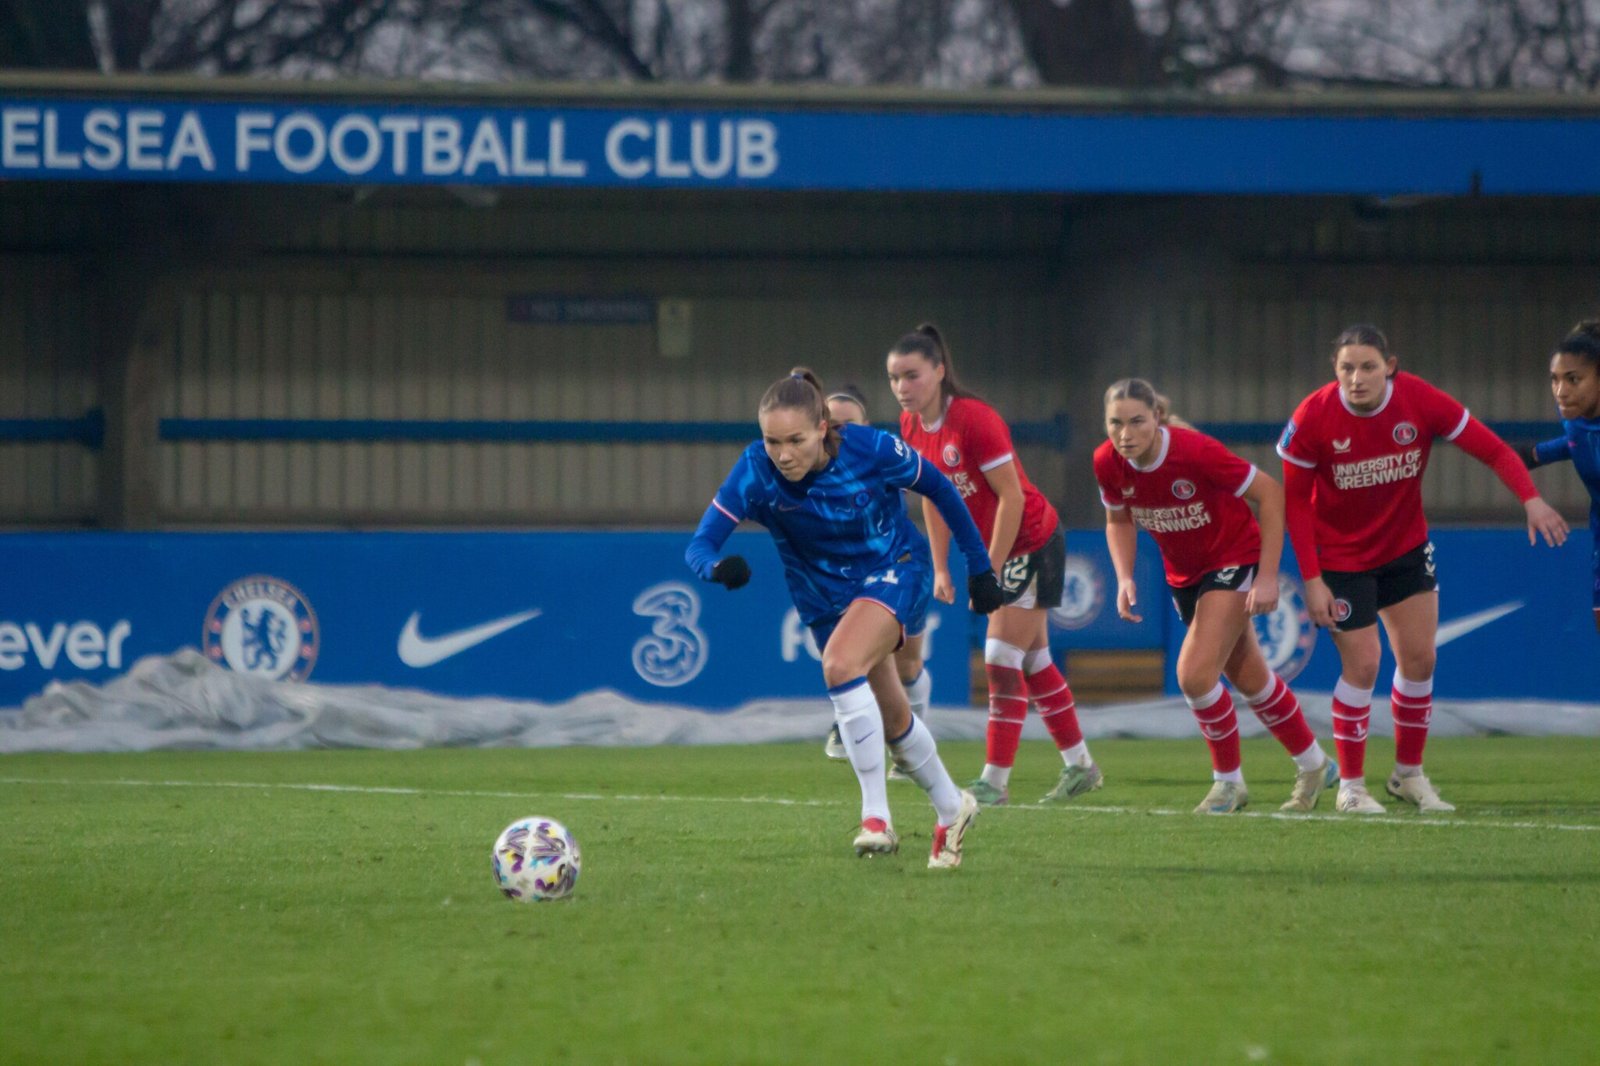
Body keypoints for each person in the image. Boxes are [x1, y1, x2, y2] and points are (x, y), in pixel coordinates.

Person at [686, 368, 1005, 868]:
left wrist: (980, 567)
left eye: (795, 439)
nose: (783, 453)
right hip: (825, 602)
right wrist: (717, 568)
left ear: (822, 428)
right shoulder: (754, 469)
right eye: (772, 441)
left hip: (896, 568)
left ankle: (875, 817)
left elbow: (941, 489)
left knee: (838, 664)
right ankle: (952, 806)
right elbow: (700, 545)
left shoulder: (870, 449)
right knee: (896, 719)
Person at [1278, 324, 1569, 814]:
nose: (1356, 378)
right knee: (1364, 663)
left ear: (1390, 366)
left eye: (1368, 366)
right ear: (1335, 370)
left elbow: (1494, 450)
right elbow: (1295, 504)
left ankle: (1407, 775)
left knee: (1420, 661)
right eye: (1346, 368)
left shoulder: (1419, 400)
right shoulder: (1313, 416)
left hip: (1405, 550)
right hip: (1342, 560)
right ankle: (1351, 787)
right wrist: (1311, 579)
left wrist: (1532, 499)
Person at [1096, 379, 1339, 814]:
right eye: (1115, 423)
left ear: (1158, 418)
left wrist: (1266, 577)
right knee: (1251, 679)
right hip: (1184, 576)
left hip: (1233, 557)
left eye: (1136, 421)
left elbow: (1269, 494)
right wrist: (1124, 576)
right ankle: (1316, 765)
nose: (1125, 434)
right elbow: (1118, 520)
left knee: (1192, 675)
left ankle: (1228, 783)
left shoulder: (1194, 451)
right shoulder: (1107, 462)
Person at [887, 324, 1102, 806]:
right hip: (999, 551)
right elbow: (935, 499)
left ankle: (994, 784)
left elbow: (1011, 497)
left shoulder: (975, 420)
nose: (902, 387)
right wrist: (941, 566)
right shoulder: (910, 428)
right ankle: (1081, 766)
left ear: (940, 372)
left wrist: (989, 568)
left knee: (1001, 659)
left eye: (912, 375)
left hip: (1030, 540)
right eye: (895, 378)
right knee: (1034, 661)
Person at [819, 384, 934, 776]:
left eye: (848, 424)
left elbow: (933, 488)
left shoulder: (882, 456)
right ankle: (848, 716)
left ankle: (911, 729)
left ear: (866, 427)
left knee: (907, 664)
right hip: (852, 581)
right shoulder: (809, 469)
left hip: (898, 569)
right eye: (832, 424)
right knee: (859, 653)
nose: (839, 432)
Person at [1521, 320, 1600, 634]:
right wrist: (1532, 456)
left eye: (1573, 380)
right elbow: (1579, 443)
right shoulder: (1575, 420)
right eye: (1554, 380)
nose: (1561, 391)